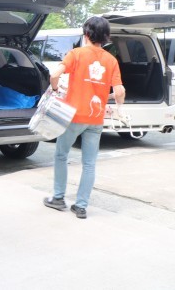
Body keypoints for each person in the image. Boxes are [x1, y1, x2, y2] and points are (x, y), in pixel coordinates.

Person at [43, 16, 125, 219]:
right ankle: (81, 206)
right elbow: (120, 91)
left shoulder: (76, 54)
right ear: (106, 36)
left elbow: (54, 75)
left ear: (86, 33)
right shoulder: (111, 60)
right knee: (89, 164)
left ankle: (58, 198)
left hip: (74, 116)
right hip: (95, 119)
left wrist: (55, 89)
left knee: (61, 155)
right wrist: (118, 106)